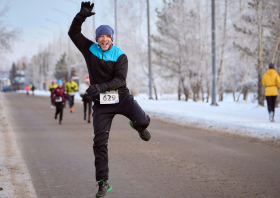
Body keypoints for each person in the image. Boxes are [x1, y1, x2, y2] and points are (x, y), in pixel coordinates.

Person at [69, 2, 151, 197]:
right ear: (97, 39)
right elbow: (73, 33)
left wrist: (100, 87)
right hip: (102, 105)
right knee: (100, 142)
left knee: (144, 121)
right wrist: (81, 16)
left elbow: (120, 80)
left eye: (107, 36)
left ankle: (138, 124)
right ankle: (103, 181)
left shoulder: (120, 55)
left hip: (121, 97)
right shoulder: (90, 49)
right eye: (101, 36)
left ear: (111, 38)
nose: (104, 39)